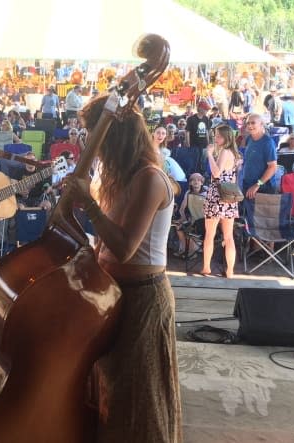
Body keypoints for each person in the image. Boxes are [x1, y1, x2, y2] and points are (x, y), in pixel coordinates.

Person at [64, 95, 182, 442]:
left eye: (97, 138)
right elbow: (103, 244)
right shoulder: (116, 178)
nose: (93, 147)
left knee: (138, 399)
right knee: (111, 393)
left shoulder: (150, 178)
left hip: (144, 300)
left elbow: (125, 248)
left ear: (116, 138)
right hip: (113, 296)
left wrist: (88, 202)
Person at [200, 125, 241, 278]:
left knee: (209, 234)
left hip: (217, 195)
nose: (215, 139)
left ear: (226, 137)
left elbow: (216, 173)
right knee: (228, 236)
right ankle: (230, 270)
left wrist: (209, 154)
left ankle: (206, 267)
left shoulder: (224, 151)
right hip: (229, 197)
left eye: (218, 136)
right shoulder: (234, 153)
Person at [242, 113, 277, 197]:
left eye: (253, 123)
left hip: (262, 189)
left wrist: (258, 185)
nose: (250, 125)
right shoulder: (249, 138)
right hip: (247, 185)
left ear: (261, 124)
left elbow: (272, 167)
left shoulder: (267, 143)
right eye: (248, 123)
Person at [173, 172, 206, 258]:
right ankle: (184, 249)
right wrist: (183, 218)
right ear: (190, 182)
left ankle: (192, 251)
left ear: (202, 182)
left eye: (198, 180)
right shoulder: (188, 193)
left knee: (188, 229)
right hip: (193, 221)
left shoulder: (207, 193)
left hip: (205, 222)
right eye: (193, 180)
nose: (196, 182)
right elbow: (182, 209)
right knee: (179, 226)